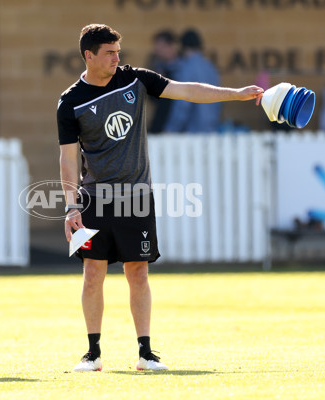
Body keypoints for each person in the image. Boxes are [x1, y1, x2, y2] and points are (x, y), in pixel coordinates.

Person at [57, 24, 262, 372]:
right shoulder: (70, 102)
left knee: (138, 273)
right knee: (92, 274)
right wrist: (71, 205)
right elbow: (67, 156)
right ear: (89, 55)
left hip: (137, 196)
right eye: (109, 52)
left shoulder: (136, 79)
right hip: (93, 199)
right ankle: (92, 353)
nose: (116, 58)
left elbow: (188, 91)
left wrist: (236, 93)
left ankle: (146, 353)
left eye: (118, 51)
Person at [164, 28, 222, 133]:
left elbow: (183, 104)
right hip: (212, 129)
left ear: (183, 47)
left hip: (193, 132)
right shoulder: (211, 68)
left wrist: (171, 129)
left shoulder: (186, 68)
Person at [147, 30, 180, 133]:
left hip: (177, 128)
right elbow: (154, 100)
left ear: (171, 46)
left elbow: (182, 104)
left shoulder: (182, 69)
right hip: (161, 124)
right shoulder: (159, 67)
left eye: (160, 47)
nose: (157, 51)